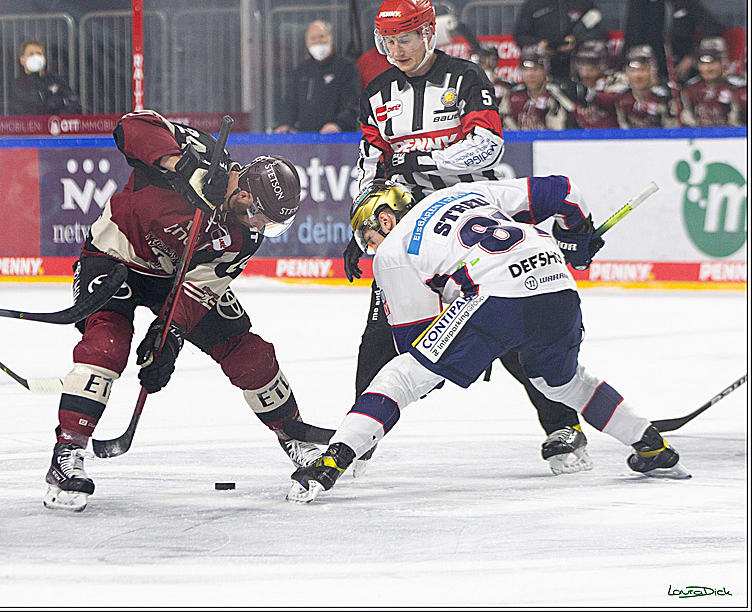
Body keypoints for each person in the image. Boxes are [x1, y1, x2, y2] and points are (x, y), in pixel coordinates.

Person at [288, 177, 690, 503]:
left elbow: (416, 347)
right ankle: (651, 446)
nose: (370, 246)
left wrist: (471, 344)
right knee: (563, 382)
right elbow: (568, 192)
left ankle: (330, 463)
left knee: (400, 377)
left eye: (368, 235)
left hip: (494, 296)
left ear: (386, 219)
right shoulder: (465, 192)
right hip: (557, 282)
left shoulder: (391, 251)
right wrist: (576, 240)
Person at [344, 0, 588, 479]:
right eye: (388, 41)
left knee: (511, 328)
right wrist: (362, 224)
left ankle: (563, 425)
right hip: (412, 233)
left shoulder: (466, 76)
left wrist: (423, 160)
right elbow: (370, 165)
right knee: (377, 336)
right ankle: (356, 441)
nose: (397, 51)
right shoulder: (376, 95)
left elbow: (488, 147)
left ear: (428, 32)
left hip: (471, 222)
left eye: (407, 38)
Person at [43, 110, 319, 512]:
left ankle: (293, 435)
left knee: (249, 353)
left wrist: (168, 336)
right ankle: (67, 452)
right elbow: (130, 127)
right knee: (106, 346)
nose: (261, 227)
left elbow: (198, 289)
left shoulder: (242, 238)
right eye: (263, 216)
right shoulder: (204, 153)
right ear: (245, 195)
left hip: (173, 278)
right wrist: (182, 167)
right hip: (115, 255)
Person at [622, 0, 725, 86]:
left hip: (678, 72)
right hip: (644, 74)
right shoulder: (636, 1)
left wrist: (691, 57)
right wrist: (622, 68)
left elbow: (714, 27)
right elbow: (629, 38)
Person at [513, 0, 604, 82]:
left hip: (577, 65)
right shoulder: (534, 3)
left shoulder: (584, 1)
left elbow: (599, 31)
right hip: (544, 66)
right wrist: (540, 45)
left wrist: (576, 41)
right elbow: (520, 35)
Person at [274, 20, 361, 134]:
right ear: (307, 42)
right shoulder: (301, 70)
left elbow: (354, 102)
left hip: (338, 139)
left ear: (330, 38)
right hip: (306, 140)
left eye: (321, 37)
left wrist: (338, 124)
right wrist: (285, 123)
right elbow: (290, 102)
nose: (317, 42)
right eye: (313, 38)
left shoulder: (346, 67)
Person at [499, 45, 573, 130]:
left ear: (545, 70)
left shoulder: (556, 95)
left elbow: (561, 129)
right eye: (526, 70)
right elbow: (504, 124)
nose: (530, 75)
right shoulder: (513, 95)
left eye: (535, 69)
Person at [680, 37, 746, 127]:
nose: (708, 69)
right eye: (703, 63)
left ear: (722, 63)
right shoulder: (690, 89)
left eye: (713, 63)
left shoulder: (736, 88)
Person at [8, 39, 83, 116]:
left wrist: (61, 105)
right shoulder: (18, 84)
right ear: (22, 60)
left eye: (39, 54)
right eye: (31, 54)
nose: (36, 57)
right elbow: (22, 109)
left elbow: (74, 102)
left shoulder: (56, 80)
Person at [615, 45, 678, 128]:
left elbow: (673, 129)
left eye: (643, 69)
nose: (638, 75)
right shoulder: (621, 97)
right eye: (633, 71)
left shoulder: (667, 95)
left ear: (653, 70)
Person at [563, 40, 621, 129]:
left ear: (603, 64)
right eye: (582, 65)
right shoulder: (572, 86)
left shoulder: (617, 82)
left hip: (613, 137)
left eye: (591, 67)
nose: (585, 73)